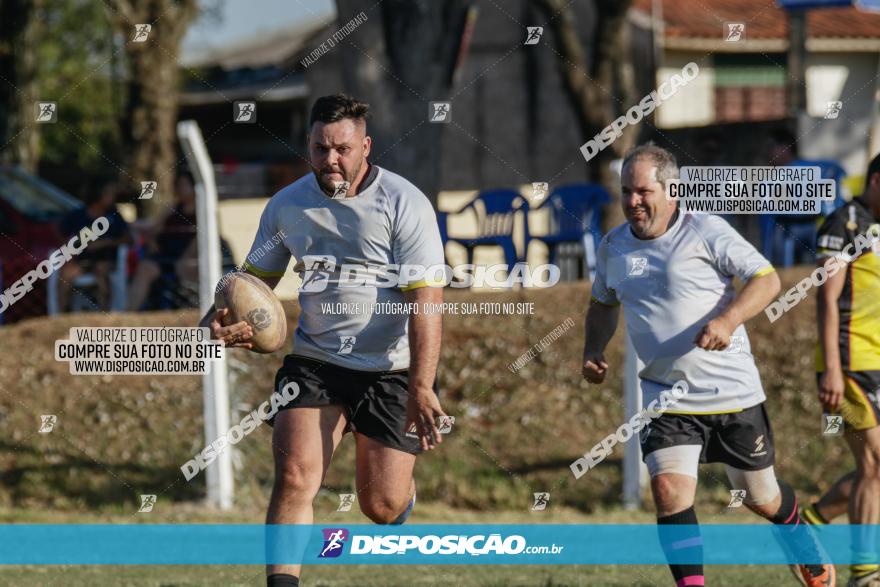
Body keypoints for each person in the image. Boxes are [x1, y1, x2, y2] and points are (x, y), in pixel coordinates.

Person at [198, 94, 447, 587]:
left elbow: (427, 301)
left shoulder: (405, 203)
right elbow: (250, 283)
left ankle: (401, 493)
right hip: (315, 363)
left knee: (381, 505)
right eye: (319, 148)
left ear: (365, 146)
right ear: (308, 147)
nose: (330, 160)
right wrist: (212, 322)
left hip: (389, 369)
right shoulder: (288, 205)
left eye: (342, 148)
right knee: (295, 478)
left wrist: (421, 386)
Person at [582, 143, 835, 586]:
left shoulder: (706, 230)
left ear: (672, 189)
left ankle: (799, 534)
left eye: (642, 191)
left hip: (731, 393)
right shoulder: (613, 247)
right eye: (625, 192)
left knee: (762, 497)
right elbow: (602, 304)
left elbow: (767, 279)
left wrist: (729, 318)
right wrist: (593, 349)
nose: (633, 202)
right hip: (666, 395)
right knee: (668, 491)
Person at [803, 152, 880, 587]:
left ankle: (811, 519)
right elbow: (825, 297)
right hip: (850, 363)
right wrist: (831, 367)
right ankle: (866, 574)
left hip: (879, 361)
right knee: (875, 462)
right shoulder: (846, 222)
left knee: (876, 469)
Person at [127, 172, 199, 311]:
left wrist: (187, 257)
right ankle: (128, 314)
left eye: (184, 185)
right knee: (145, 268)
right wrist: (152, 239)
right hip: (166, 257)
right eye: (178, 185)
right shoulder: (172, 208)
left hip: (190, 258)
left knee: (188, 268)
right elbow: (154, 227)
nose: (180, 189)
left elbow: (201, 239)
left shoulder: (203, 211)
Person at [57, 177, 131, 311]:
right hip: (82, 260)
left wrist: (105, 243)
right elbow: (61, 233)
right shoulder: (77, 215)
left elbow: (128, 239)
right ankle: (62, 317)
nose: (113, 197)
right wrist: (70, 249)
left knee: (101, 272)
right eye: (109, 193)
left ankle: (104, 316)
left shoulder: (114, 216)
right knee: (65, 275)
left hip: (105, 260)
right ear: (98, 195)